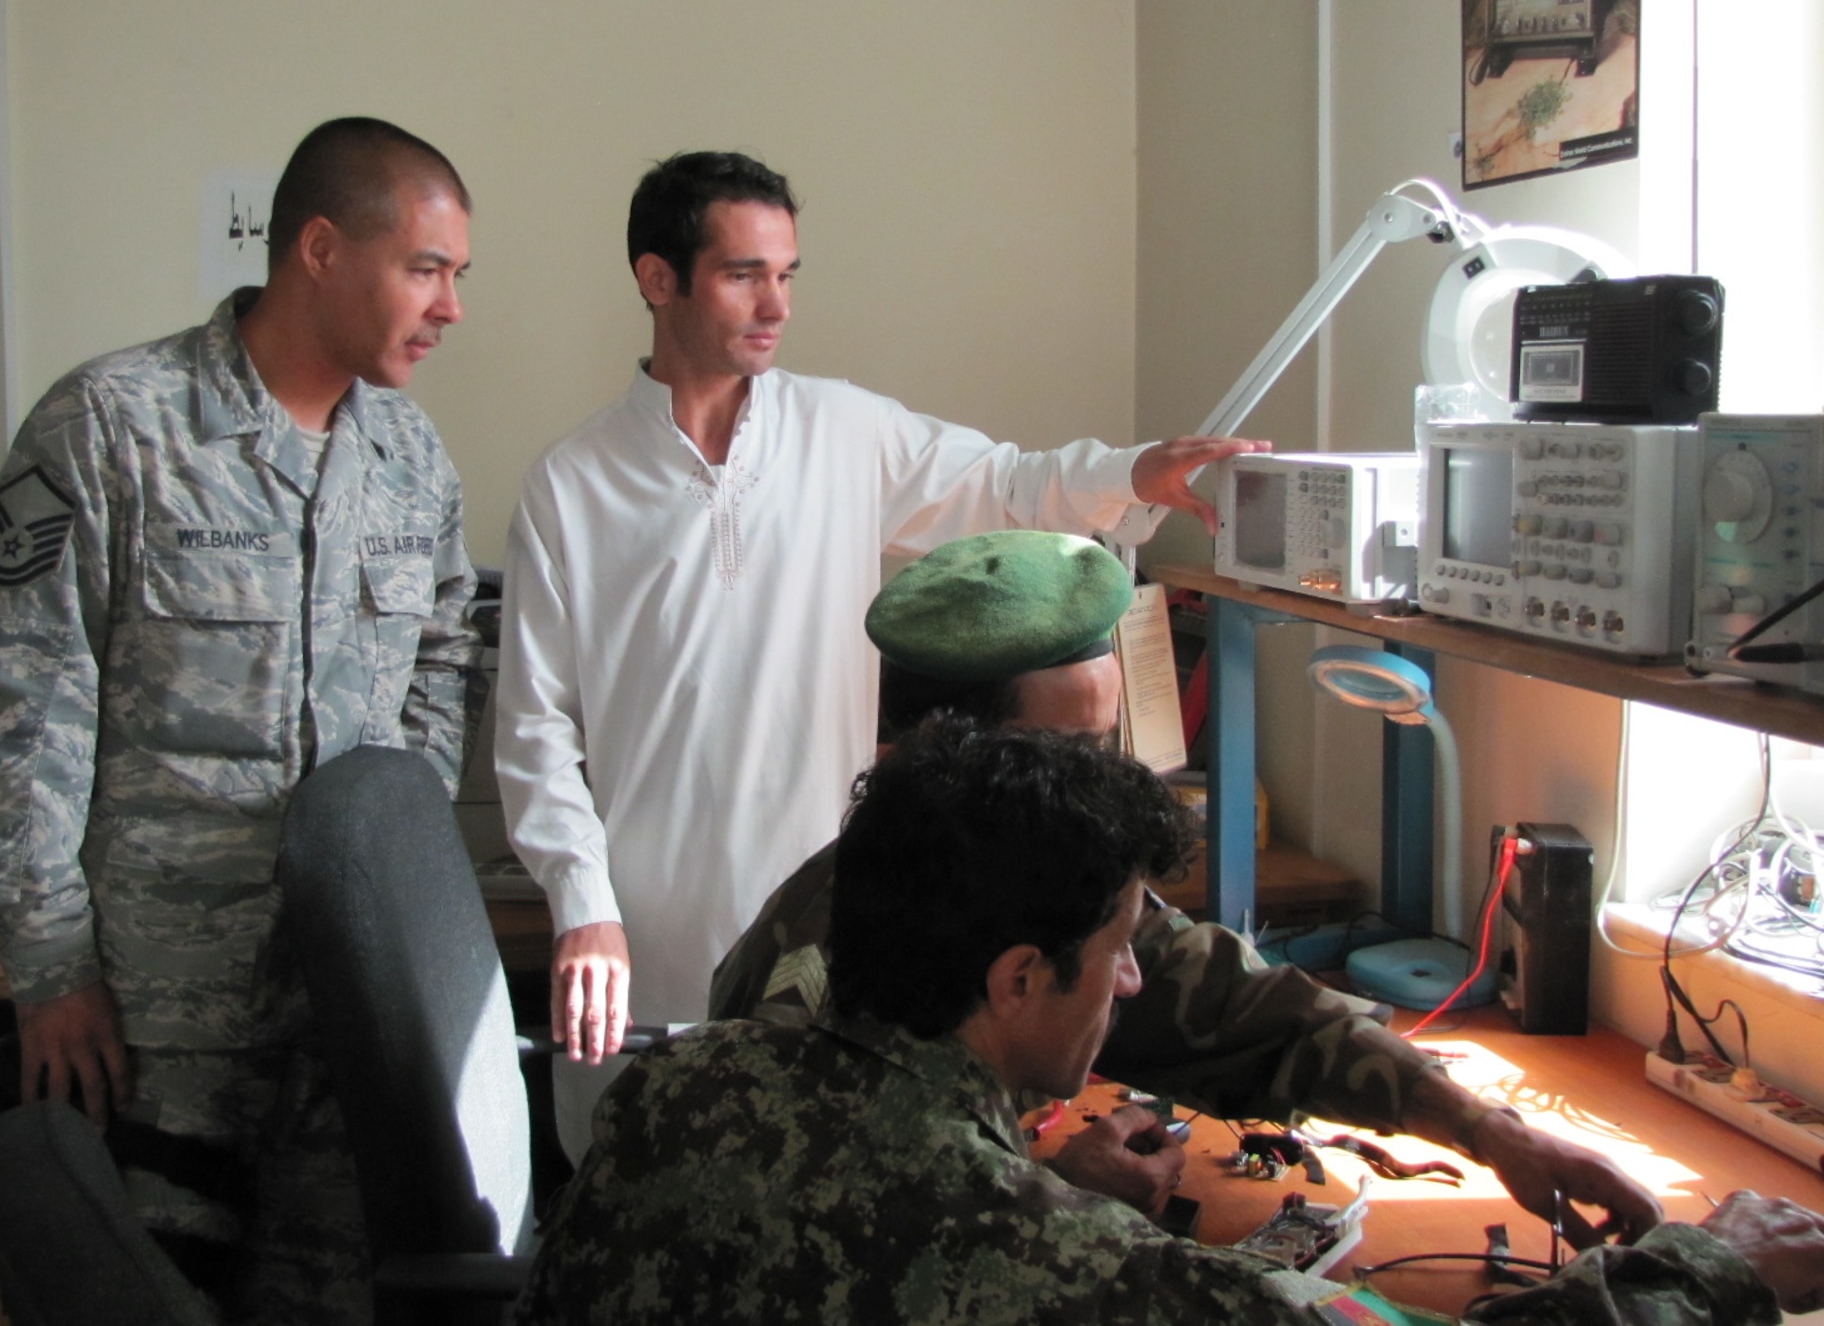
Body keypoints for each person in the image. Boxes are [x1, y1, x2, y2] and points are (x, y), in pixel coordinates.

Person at [516, 720, 1824, 1326]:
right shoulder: (1059, 1267)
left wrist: (1479, 1123)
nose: (1134, 986)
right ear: (1022, 980)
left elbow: (1223, 998)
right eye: (1111, 961)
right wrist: (1710, 1273)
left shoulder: (674, 1087)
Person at [495, 149, 1269, 1057]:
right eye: (744, 275)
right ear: (657, 279)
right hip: (643, 932)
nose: (777, 305)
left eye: (786, 275)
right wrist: (583, 907)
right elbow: (535, 734)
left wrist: (1136, 471)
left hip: (829, 919)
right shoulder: (572, 484)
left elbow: (1010, 486)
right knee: (652, 1164)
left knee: (826, 1162)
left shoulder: (842, 431)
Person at [711, 527, 1663, 1249]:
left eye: (1112, 747)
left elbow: (1261, 1010)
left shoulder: (1052, 890)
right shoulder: (817, 963)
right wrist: (1053, 1194)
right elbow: (842, 1238)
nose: (1110, 786)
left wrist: (1491, 1132)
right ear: (947, 760)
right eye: (1070, 756)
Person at [0, 116, 480, 1323]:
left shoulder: (410, 459)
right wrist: (50, 966)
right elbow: (6, 708)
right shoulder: (115, 425)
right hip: (153, 1019)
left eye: (456, 277)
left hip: (347, 1015)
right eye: (426, 269)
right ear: (321, 249)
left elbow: (442, 651)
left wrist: (398, 847)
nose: (449, 308)